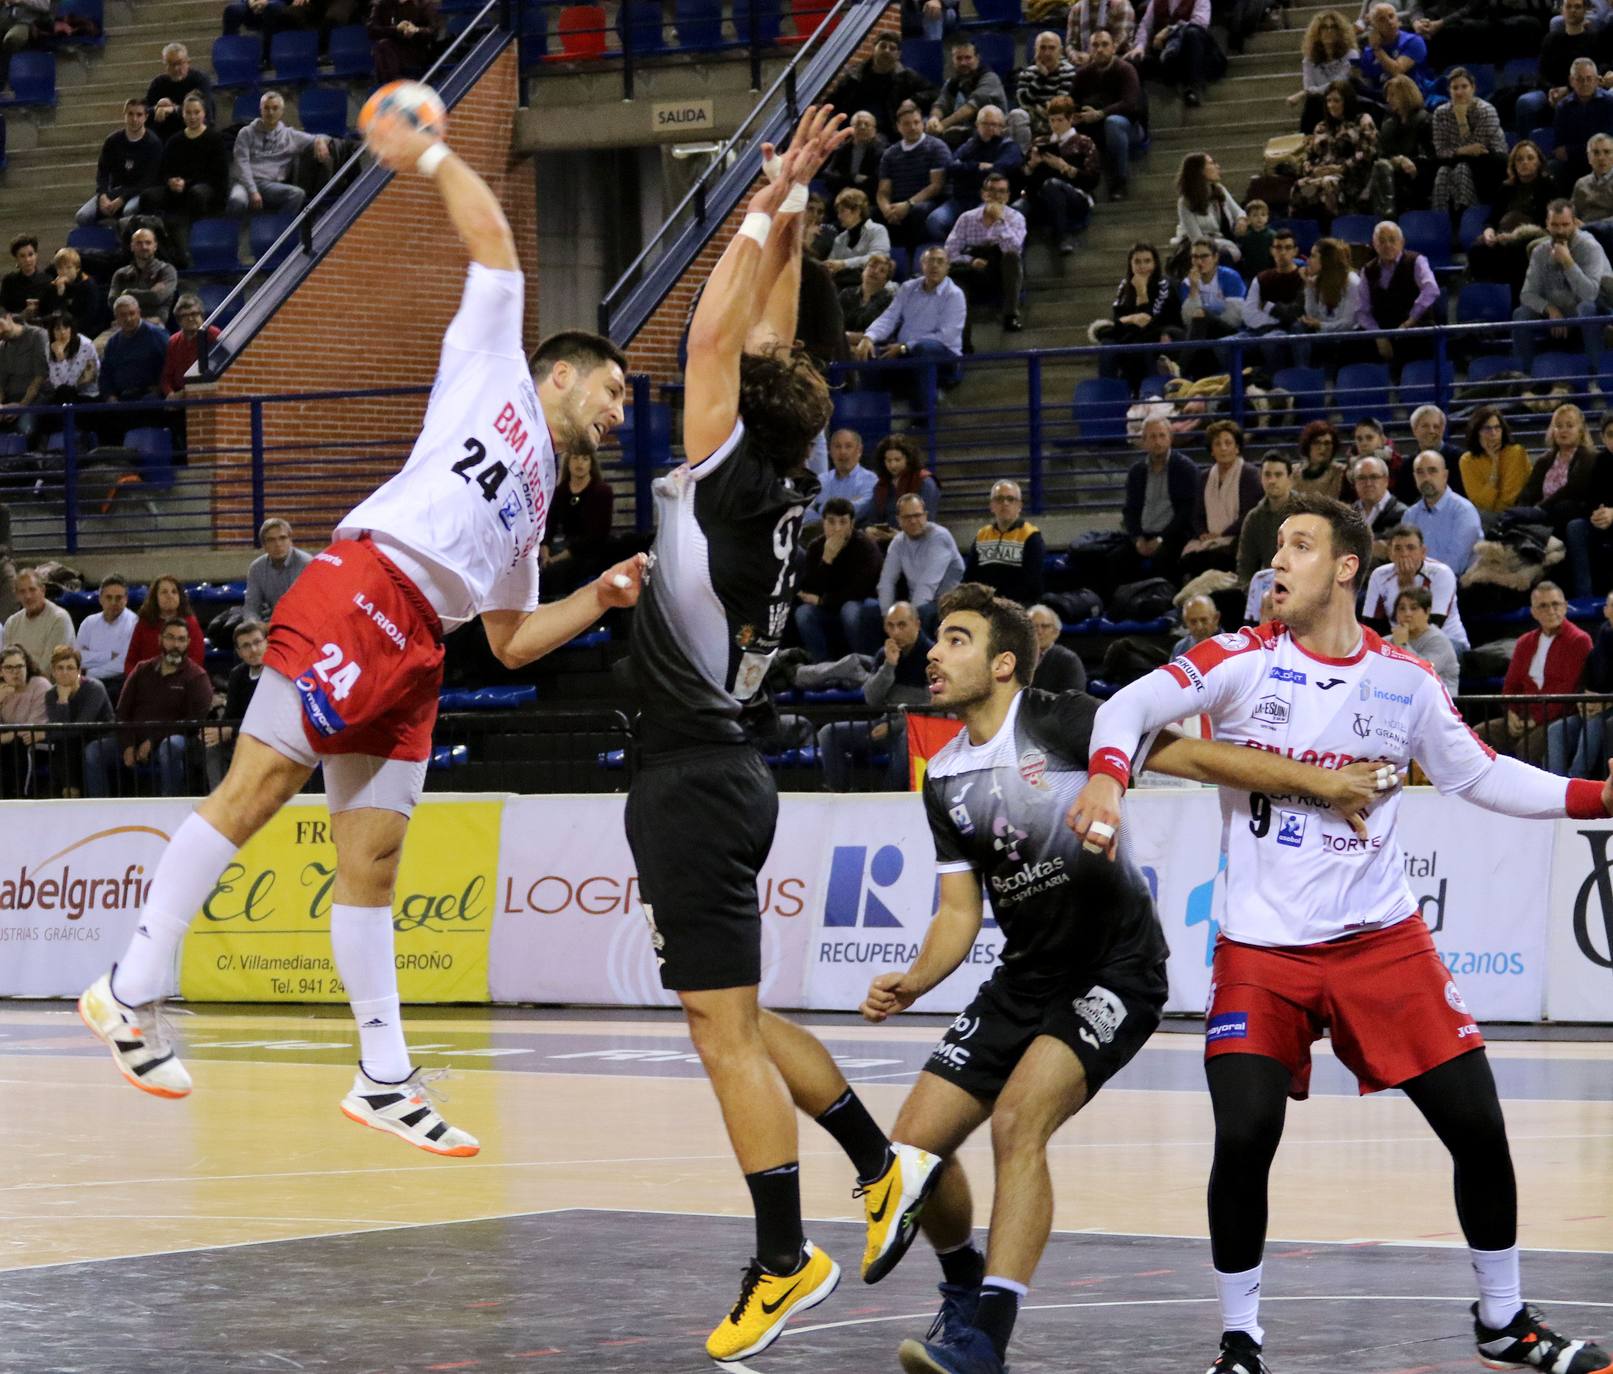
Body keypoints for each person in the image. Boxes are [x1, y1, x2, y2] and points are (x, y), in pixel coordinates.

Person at [79, 108, 645, 1168]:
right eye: (614, 391)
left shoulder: (534, 510)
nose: (621, 412)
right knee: (253, 793)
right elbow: (496, 246)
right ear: (562, 374)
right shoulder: (496, 374)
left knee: (372, 865)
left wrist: (601, 601)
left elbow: (514, 640)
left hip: (422, 645)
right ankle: (127, 988)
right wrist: (427, 152)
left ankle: (384, 1075)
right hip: (363, 586)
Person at [1070, 494, 1613, 1374]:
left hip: (1379, 940)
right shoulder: (1239, 659)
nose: (1275, 561)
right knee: (1242, 1134)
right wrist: (1105, 779)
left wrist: (1597, 798)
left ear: (1346, 567)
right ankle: (1240, 1339)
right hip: (1259, 946)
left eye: (1298, 545)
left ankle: (1503, 1321)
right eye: (1273, 548)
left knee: (1478, 1126)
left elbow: (1479, 776)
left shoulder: (1403, 678)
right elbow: (1122, 710)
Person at [863, 580, 1397, 1374]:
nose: (933, 654)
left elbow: (1198, 756)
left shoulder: (1064, 719)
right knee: (909, 1154)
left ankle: (986, 1340)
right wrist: (913, 979)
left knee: (1018, 1124)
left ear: (1004, 663)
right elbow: (956, 912)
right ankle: (962, 1285)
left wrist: (1322, 782)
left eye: (955, 640)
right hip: (1023, 977)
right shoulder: (941, 777)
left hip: (1115, 970)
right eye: (935, 640)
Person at [620, 107, 919, 1366]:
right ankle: (875, 1162)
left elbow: (707, 336)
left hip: (695, 775)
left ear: (736, 415)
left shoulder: (725, 473)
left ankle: (781, 1256)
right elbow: (764, 339)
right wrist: (790, 203)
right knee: (725, 1019)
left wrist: (756, 209)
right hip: (734, 770)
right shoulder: (784, 479)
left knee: (717, 1034)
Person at [816, 599, 932, 791]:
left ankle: (887, 798)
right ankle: (841, 797)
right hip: (885, 725)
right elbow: (871, 699)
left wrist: (894, 726)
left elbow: (933, 708)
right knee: (829, 733)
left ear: (917, 624)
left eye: (902, 625)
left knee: (906, 738)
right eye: (890, 626)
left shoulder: (931, 656)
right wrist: (889, 666)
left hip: (916, 731)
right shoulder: (883, 655)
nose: (895, 632)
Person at [1475, 581, 1592, 762]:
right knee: (1478, 735)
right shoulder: (1524, 642)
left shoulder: (1579, 640)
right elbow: (1510, 686)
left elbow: (1568, 691)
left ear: (1565, 607)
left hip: (1557, 717)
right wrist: (1511, 714)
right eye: (1543, 606)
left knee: (1528, 748)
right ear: (1533, 612)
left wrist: (1534, 720)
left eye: (1556, 604)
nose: (1551, 610)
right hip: (1522, 716)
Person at [111, 617, 213, 796]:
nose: (175, 644)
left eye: (181, 639)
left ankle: (170, 805)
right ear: (160, 639)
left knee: (170, 747)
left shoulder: (197, 677)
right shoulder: (142, 669)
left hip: (176, 738)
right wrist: (127, 744)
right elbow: (122, 711)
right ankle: (100, 811)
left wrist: (153, 740)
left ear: (188, 642)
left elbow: (193, 722)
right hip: (136, 737)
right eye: (170, 637)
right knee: (93, 752)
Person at [1513, 198, 1610, 372]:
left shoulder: (1590, 247)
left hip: (1591, 307)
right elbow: (1527, 294)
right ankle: (1524, 376)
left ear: (1575, 223)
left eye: (1565, 225)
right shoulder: (1539, 252)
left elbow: (1590, 294)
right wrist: (1549, 308)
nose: (1560, 230)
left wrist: (1568, 262)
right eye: (1555, 225)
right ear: (1547, 225)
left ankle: (1596, 373)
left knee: (1587, 308)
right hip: (1556, 309)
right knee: (1520, 314)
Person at [854, 245, 966, 392]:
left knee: (924, 349)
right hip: (905, 351)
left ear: (947, 267)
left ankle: (925, 412)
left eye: (940, 261)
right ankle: (873, 411)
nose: (934, 265)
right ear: (922, 265)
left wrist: (905, 346)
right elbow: (889, 317)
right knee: (869, 354)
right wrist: (868, 337)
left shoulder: (954, 295)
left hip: (942, 355)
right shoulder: (908, 288)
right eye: (930, 261)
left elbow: (946, 336)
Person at [795, 496, 884, 660]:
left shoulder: (865, 546)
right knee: (803, 613)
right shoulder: (816, 547)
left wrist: (823, 601)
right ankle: (823, 667)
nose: (837, 528)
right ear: (823, 523)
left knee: (849, 609)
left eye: (843, 522)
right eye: (831, 522)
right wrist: (827, 560)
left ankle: (866, 662)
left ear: (852, 524)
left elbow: (860, 589)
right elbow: (808, 590)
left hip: (865, 604)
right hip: (831, 607)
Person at [145, 93, 231, 259]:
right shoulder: (175, 140)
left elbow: (217, 174)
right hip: (177, 189)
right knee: (148, 197)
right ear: (182, 114)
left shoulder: (214, 139)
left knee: (197, 194)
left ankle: (196, 243)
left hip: (205, 189)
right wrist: (170, 180)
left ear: (203, 114)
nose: (192, 117)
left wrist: (187, 183)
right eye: (188, 112)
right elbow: (164, 169)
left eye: (196, 112)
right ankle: (158, 245)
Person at [1467, 140, 1554, 299]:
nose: (1525, 162)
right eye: (1519, 159)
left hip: (1531, 237)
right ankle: (1489, 302)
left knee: (1516, 253)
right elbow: (1492, 219)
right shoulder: (1506, 188)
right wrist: (1489, 231)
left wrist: (1515, 236)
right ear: (1513, 164)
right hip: (1502, 236)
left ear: (1539, 162)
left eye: (1530, 158)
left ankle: (1516, 303)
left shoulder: (1549, 186)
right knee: (1477, 250)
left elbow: (1547, 224)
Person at [1361, 522, 1469, 649]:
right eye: (1398, 548)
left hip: (1445, 641)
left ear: (1423, 552)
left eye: (1410, 548)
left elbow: (1433, 624)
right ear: (1390, 553)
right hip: (1399, 641)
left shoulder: (1441, 573)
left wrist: (1407, 585)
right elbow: (1371, 624)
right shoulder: (1379, 575)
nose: (1404, 554)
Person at [1069, 29, 1146, 201]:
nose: (1099, 49)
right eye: (1095, 45)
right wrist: (1074, 115)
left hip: (1129, 127)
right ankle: (1084, 188)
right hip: (1095, 128)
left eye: (1104, 45)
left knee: (1112, 123)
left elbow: (1130, 103)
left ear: (1114, 48)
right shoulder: (1083, 73)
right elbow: (1072, 102)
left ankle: (1119, 182)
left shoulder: (1126, 69)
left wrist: (1100, 114)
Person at [1095, 241, 1181, 393]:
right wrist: (1130, 320)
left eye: (1147, 261)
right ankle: (1108, 395)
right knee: (1108, 343)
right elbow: (1118, 320)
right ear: (1130, 264)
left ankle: (1148, 397)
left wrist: (1142, 293)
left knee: (1143, 343)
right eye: (1137, 262)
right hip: (1130, 335)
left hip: (1160, 334)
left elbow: (1148, 321)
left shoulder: (1165, 284)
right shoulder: (1125, 285)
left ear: (1155, 263)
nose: (1142, 266)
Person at [944, 173, 1026, 332]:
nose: (996, 196)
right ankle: (963, 339)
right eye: (991, 191)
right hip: (972, 270)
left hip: (1000, 271)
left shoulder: (1016, 218)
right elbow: (950, 251)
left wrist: (1001, 221)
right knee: (956, 282)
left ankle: (1010, 316)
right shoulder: (966, 218)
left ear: (1008, 196)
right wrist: (970, 260)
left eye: (1001, 191)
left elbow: (1014, 249)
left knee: (1011, 257)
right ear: (983, 194)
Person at [230, 90, 333, 217]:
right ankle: (235, 234)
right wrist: (253, 191)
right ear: (261, 110)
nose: (270, 112)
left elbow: (320, 138)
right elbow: (241, 163)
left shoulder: (290, 135)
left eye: (275, 108)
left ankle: (279, 230)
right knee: (237, 200)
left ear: (282, 111)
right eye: (266, 108)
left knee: (297, 194)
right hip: (245, 182)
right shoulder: (246, 133)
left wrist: (320, 141)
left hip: (270, 185)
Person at [1181, 419, 1262, 577]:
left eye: (1228, 443)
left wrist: (1223, 534)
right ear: (1211, 450)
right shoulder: (1205, 476)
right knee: (1188, 560)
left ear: (1237, 448)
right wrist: (1202, 532)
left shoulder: (1249, 474)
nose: (1223, 448)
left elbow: (1249, 514)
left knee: (1211, 560)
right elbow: (1197, 514)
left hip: (1237, 539)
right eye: (1217, 444)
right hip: (1209, 539)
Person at [1018, 96, 1099, 253]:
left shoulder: (1083, 142)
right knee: (1018, 206)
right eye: (1052, 120)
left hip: (1075, 195)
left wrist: (1066, 168)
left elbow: (1093, 180)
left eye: (1060, 120)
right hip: (1041, 195)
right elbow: (1023, 179)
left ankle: (1061, 237)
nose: (1055, 124)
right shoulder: (1040, 142)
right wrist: (1032, 165)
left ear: (1070, 119)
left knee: (1052, 185)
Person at [1291, 81, 1382, 220]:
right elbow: (1308, 156)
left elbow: (1367, 152)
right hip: (1321, 173)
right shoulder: (1321, 127)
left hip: (1351, 177)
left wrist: (1341, 168)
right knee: (1298, 186)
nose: (1331, 105)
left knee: (1328, 183)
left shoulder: (1362, 120)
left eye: (1336, 101)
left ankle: (1333, 231)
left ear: (1347, 101)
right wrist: (1312, 170)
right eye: (1328, 101)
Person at [1121, 414, 1198, 575]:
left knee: (1162, 559)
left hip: (1173, 536)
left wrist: (1161, 539)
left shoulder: (1185, 468)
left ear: (1170, 438)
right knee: (1115, 559)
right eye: (1152, 436)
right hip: (1143, 535)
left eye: (1162, 435)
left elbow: (1187, 512)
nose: (1157, 441)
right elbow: (1130, 510)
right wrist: (1137, 539)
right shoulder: (1136, 472)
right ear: (1144, 441)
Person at [1547, 587, 1613, 776]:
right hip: (1593, 707)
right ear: (1606, 610)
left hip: (1608, 707)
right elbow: (1584, 680)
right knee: (1556, 730)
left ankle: (1574, 783)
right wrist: (1584, 699)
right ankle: (1556, 786)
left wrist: (1604, 701)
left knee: (1594, 724)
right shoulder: (1600, 641)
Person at [880, 492, 965, 631]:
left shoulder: (940, 537)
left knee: (923, 614)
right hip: (917, 602)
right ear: (898, 520)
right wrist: (887, 615)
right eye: (907, 517)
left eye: (917, 515)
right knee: (870, 612)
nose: (913, 521)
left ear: (925, 515)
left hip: (946, 603)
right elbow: (886, 582)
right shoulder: (898, 542)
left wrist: (908, 619)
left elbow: (927, 585)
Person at [1356, 220, 1438, 363]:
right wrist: (1378, 335)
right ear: (1374, 245)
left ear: (1402, 242)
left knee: (1419, 341)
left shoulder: (1417, 261)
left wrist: (1410, 321)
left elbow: (1431, 289)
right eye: (1381, 241)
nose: (1387, 245)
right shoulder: (1367, 270)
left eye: (1392, 240)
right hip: (1383, 329)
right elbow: (1362, 311)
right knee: (1354, 345)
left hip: (1414, 325)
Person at [829, 31, 937, 140]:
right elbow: (832, 103)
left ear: (898, 54)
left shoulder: (906, 76)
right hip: (852, 132)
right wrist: (832, 128)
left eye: (892, 48)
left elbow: (934, 92)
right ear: (874, 49)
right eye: (883, 46)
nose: (887, 51)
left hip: (888, 135)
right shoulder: (854, 75)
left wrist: (914, 100)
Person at [1517, 0, 1603, 136]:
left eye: (1577, 7)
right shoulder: (1551, 39)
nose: (1573, 10)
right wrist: (1551, 90)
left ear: (1585, 10)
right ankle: (1526, 150)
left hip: (1582, 89)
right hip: (1552, 90)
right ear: (1562, 10)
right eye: (1568, 6)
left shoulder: (1594, 40)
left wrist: (1568, 89)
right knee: (1525, 102)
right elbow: (1542, 73)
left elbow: (1597, 73)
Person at [878, 101, 951, 256]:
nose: (913, 127)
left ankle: (913, 263)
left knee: (917, 212)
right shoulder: (890, 153)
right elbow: (883, 190)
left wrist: (908, 204)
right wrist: (886, 209)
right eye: (907, 124)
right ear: (898, 126)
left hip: (928, 201)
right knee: (872, 215)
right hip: (897, 204)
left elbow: (936, 186)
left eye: (916, 122)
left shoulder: (937, 147)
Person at [1430, 67, 1506, 216]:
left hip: (1490, 162)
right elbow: (1440, 150)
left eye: (1464, 87)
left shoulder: (1486, 110)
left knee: (1462, 168)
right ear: (1449, 91)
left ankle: (1467, 215)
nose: (1459, 92)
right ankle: (1441, 219)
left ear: (1473, 88)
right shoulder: (1440, 113)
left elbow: (1478, 149)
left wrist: (1461, 120)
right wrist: (1461, 151)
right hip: (1455, 161)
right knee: (1443, 172)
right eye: (1455, 88)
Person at [44, 643, 116, 798]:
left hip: (102, 737)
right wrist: (62, 699)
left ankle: (93, 800)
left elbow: (79, 727)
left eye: (70, 668)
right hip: (72, 743)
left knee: (79, 746)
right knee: (62, 745)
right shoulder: (51, 694)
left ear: (78, 670)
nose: (64, 672)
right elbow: (59, 731)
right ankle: (69, 792)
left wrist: (62, 703)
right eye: (60, 668)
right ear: (53, 672)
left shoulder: (94, 688)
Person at [78, 98, 161, 227]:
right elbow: (103, 172)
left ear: (146, 117)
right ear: (124, 115)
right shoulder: (112, 141)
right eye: (130, 114)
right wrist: (102, 195)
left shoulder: (153, 143)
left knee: (129, 211)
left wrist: (122, 199)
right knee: (83, 216)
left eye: (139, 115)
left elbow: (148, 180)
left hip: (138, 192)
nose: (134, 119)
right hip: (115, 191)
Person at [204, 617, 267, 788]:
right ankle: (220, 804)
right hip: (243, 739)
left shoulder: (279, 673)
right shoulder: (237, 674)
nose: (253, 650)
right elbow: (231, 715)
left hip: (274, 741)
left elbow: (271, 718)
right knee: (212, 746)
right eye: (246, 646)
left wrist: (230, 730)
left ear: (267, 643)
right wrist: (216, 731)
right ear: (239, 652)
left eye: (257, 642)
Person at [98, 294, 168, 443]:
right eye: (123, 315)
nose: (128, 319)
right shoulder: (113, 343)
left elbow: (169, 365)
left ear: (139, 312)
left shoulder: (156, 335)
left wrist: (159, 388)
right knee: (99, 414)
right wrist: (110, 396)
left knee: (147, 407)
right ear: (116, 318)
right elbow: (105, 374)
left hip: (149, 394)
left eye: (132, 314)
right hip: (122, 397)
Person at [1405, 448, 1484, 576]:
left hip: (1457, 586)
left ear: (1445, 476)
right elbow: (1405, 558)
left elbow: (1455, 564)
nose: (1426, 478)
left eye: (1432, 471)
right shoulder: (1410, 515)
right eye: (1420, 472)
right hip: (1417, 586)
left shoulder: (1464, 511)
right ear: (1415, 477)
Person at [964, 479, 1044, 604]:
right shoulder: (982, 535)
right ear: (992, 506)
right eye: (999, 499)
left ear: (1019, 506)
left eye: (1010, 499)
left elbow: (1032, 584)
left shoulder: (1031, 535)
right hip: (985, 605)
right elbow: (969, 579)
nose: (1005, 503)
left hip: (1019, 606)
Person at [1179, 238, 1247, 377]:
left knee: (1201, 315)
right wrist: (1194, 290)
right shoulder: (1187, 283)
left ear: (1215, 257)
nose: (1199, 262)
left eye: (1204, 256)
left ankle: (1180, 372)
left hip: (1229, 330)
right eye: (1195, 257)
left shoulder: (1230, 277)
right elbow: (1187, 320)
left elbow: (1235, 318)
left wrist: (1207, 317)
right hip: (1200, 334)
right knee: (1198, 326)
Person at [1129, 0, 1215, 106]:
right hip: (1165, 54)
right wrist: (1140, 46)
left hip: (1190, 54)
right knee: (1134, 60)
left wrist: (1169, 30)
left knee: (1193, 33)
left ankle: (1194, 89)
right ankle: (1137, 109)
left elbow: (1200, 23)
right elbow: (1145, 26)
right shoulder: (1156, 2)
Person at [1294, 235, 1361, 368]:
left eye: (1313, 256)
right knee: (1297, 328)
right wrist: (1309, 287)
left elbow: (1349, 323)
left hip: (1345, 338)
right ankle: (1302, 374)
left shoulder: (1352, 282)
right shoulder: (1318, 280)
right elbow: (1312, 315)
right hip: (1324, 334)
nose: (1308, 261)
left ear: (1326, 260)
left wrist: (1320, 325)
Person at [1240, 228, 1305, 364]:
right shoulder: (1262, 278)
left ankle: (1273, 379)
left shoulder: (1303, 277)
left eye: (1287, 248)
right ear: (1272, 250)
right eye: (1278, 247)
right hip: (1257, 329)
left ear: (1295, 251)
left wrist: (1267, 306)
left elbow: (1294, 313)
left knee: (1270, 341)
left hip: (1286, 330)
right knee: (1225, 344)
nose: (1282, 252)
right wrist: (1277, 317)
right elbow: (1249, 314)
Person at [928, 40, 1007, 149]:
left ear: (977, 59)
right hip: (963, 134)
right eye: (959, 58)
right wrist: (934, 119)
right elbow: (940, 104)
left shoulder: (990, 78)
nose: (963, 63)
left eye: (968, 58)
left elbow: (970, 108)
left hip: (990, 133)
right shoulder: (951, 82)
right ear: (953, 60)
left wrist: (942, 125)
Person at [1291, 9, 1359, 132]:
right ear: (1317, 32)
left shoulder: (1351, 55)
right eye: (1324, 28)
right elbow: (1309, 87)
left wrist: (1305, 93)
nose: (1328, 31)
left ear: (1340, 31)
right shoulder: (1310, 59)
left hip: (1344, 101)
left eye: (1333, 27)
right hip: (1320, 102)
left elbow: (1340, 84)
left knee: (1326, 98)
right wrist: (1307, 92)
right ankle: (1307, 139)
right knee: (1313, 101)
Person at [1008, 31, 1077, 150]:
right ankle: (1022, 158)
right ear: (1035, 50)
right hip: (1034, 120)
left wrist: (1036, 107)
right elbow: (1023, 102)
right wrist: (1042, 77)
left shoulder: (1068, 71)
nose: (1047, 53)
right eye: (1042, 48)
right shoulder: (1027, 72)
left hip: (1058, 120)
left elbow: (1059, 107)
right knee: (1016, 114)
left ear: (1060, 51)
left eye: (1052, 48)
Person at [1375, 73, 1435, 212]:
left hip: (1419, 172)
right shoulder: (1388, 123)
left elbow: (1431, 157)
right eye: (1387, 96)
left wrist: (1408, 162)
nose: (1388, 100)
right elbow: (1382, 154)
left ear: (1406, 95)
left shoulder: (1426, 121)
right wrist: (1398, 160)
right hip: (1393, 171)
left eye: (1393, 95)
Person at [123, 574, 204, 674]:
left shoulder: (191, 623)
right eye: (164, 592)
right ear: (155, 597)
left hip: (182, 681)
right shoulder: (144, 623)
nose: (170, 595)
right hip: (147, 681)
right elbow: (130, 661)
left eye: (174, 592)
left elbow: (196, 661)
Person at [1172, 152, 1245, 265]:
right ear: (1199, 171)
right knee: (1223, 254)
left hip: (1225, 240)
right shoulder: (1185, 202)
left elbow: (1239, 211)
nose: (1217, 166)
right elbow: (1197, 239)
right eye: (1211, 163)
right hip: (1200, 247)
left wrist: (1241, 220)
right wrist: (1228, 245)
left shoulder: (1219, 189)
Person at [1235, 452, 1295, 587]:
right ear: (1261, 478)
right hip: (1267, 587)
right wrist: (1250, 592)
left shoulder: (1305, 513)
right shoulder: (1254, 518)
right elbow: (1245, 565)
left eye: (1278, 475)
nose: (1272, 480)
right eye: (1267, 475)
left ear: (1290, 479)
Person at [1552, 58, 1613, 189]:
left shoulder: (1610, 103)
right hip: (1574, 164)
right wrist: (1581, 150)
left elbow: (1609, 142)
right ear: (1571, 81)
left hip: (1605, 159)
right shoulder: (1563, 107)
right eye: (1579, 79)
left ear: (1597, 80)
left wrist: (1573, 150)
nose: (1585, 83)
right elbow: (1559, 150)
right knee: (1554, 167)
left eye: (1589, 78)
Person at [1458, 405, 1531, 516]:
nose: (1493, 434)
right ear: (1476, 432)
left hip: (1513, 514)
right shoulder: (1467, 460)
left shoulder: (1516, 453)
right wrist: (1494, 470)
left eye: (1497, 427)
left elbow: (1509, 500)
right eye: (1487, 428)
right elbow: (1479, 503)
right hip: (1484, 515)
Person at [1352, 2, 1430, 101]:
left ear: (1397, 19)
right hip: (1382, 99)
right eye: (1382, 19)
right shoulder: (1368, 52)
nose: (1389, 21)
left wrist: (1377, 49)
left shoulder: (1413, 41)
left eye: (1391, 16)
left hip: (1411, 97)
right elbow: (1369, 82)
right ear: (1373, 26)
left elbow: (1397, 71)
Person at [1388, 585, 1459, 693]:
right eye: (1402, 608)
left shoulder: (1438, 641)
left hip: (1438, 704)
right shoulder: (1388, 641)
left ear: (1427, 612)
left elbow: (1422, 674)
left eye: (1414, 608)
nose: (1407, 614)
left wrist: (1402, 645)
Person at [2, 567, 74, 671]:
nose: (28, 596)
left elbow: (50, 666)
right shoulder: (12, 623)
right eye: (22, 591)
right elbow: (6, 663)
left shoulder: (59, 619)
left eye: (32, 589)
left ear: (43, 590)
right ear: (17, 595)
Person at [76, 572, 136, 696]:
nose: (114, 602)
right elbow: (80, 659)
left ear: (126, 599)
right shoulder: (88, 623)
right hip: (89, 682)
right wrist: (110, 655)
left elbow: (122, 665)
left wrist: (93, 657)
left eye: (118, 598)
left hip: (120, 684)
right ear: (100, 599)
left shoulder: (134, 623)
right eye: (109, 597)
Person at [0, 643, 47, 797]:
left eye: (20, 666)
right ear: (1, 672)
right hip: (8, 741)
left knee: (16, 746)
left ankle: (20, 796)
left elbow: (31, 728)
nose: (16, 672)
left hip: (36, 742)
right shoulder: (1, 690)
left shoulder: (39, 685)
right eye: (9, 668)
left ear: (27, 667)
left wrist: (7, 736)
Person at [245, 517, 313, 621]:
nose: (278, 544)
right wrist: (253, 626)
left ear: (290, 541)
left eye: (282, 538)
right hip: (270, 621)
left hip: (301, 622)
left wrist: (268, 627)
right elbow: (251, 608)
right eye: (271, 540)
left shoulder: (307, 564)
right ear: (264, 545)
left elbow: (307, 609)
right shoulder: (256, 568)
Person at [868, 432, 942, 527]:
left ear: (908, 459)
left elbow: (927, 522)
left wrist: (897, 535)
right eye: (888, 460)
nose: (892, 465)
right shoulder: (882, 485)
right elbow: (873, 519)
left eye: (897, 460)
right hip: (885, 539)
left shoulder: (925, 482)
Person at [143, 43, 213, 142]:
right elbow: (144, 111)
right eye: (171, 64)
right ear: (165, 65)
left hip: (194, 131)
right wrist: (157, 108)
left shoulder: (200, 80)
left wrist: (173, 109)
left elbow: (205, 111)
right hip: (166, 134)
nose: (176, 68)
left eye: (180, 63)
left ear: (188, 62)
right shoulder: (158, 83)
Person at [808, 428, 879, 522]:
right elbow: (806, 513)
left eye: (848, 446)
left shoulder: (871, 480)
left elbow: (857, 511)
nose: (842, 452)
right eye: (837, 446)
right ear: (830, 451)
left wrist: (819, 508)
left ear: (859, 450)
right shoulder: (821, 480)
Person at [823, 188, 891, 287]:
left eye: (842, 211)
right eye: (838, 212)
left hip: (873, 285)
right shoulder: (840, 239)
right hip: (845, 288)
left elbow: (878, 258)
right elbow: (832, 264)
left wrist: (843, 263)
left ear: (857, 211)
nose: (838, 216)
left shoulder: (878, 230)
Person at [106, 229, 176, 321]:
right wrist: (146, 295)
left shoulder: (166, 270)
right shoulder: (120, 274)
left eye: (148, 243)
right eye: (139, 243)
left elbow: (156, 297)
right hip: (125, 323)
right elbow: (112, 301)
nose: (144, 247)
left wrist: (126, 293)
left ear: (155, 246)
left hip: (154, 324)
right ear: (132, 246)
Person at [160, 293, 220, 400]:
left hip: (204, 393)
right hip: (178, 394)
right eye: (185, 315)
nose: (191, 318)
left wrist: (185, 393)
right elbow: (166, 377)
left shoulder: (213, 335)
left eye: (194, 314)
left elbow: (215, 372)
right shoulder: (173, 341)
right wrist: (170, 394)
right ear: (178, 320)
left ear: (201, 315)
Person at [0, 306, 46, 442]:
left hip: (35, 398)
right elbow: (1, 383)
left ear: (8, 317)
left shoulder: (37, 335)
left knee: (24, 427)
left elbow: (40, 376)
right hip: (10, 400)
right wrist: (1, 407)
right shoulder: (2, 347)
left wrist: (21, 406)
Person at [1403, 403, 1466, 503]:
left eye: (1436, 426)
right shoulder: (1407, 466)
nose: (1431, 431)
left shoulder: (1460, 459)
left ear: (1443, 429)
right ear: (1414, 430)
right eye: (1425, 426)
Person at [367, 0, 441, 84]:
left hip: (416, 50)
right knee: (383, 47)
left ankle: (393, 86)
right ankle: (393, 85)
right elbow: (371, 31)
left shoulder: (425, 4)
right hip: (391, 50)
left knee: (383, 50)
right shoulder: (381, 4)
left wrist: (416, 30)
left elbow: (433, 31)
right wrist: (396, 29)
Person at [822, 109, 888, 203]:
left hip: (869, 198)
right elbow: (827, 174)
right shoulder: (843, 148)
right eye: (858, 124)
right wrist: (852, 178)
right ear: (851, 128)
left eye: (867, 124)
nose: (862, 127)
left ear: (874, 130)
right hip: (843, 195)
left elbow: (878, 180)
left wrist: (845, 180)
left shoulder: (881, 149)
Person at [1349, 453, 1405, 563]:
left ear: (1386, 480)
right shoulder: (1347, 514)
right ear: (1354, 483)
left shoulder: (1403, 513)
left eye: (1374, 477)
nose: (1368, 483)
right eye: (1362, 478)